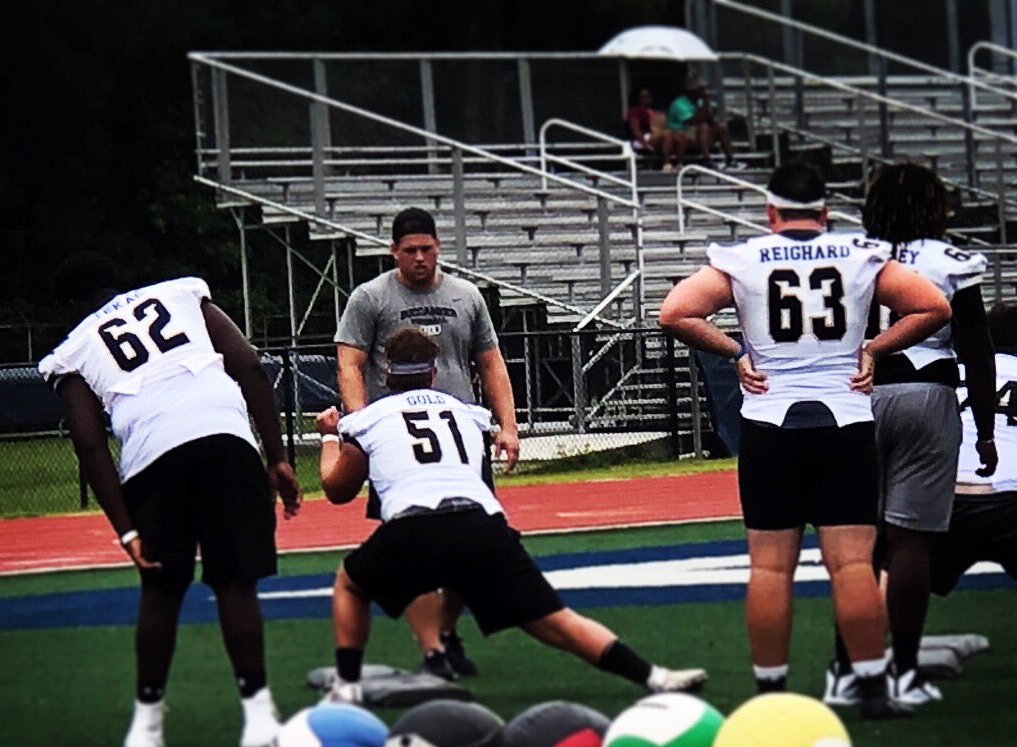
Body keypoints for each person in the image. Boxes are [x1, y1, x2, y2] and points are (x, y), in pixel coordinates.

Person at [659, 161, 951, 718]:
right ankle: (869, 686)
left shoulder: (743, 257)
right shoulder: (857, 253)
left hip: (770, 417)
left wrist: (736, 352)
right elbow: (933, 306)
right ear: (824, 214)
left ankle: (770, 693)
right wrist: (874, 349)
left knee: (770, 568)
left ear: (771, 214)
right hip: (844, 416)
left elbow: (674, 312)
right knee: (852, 566)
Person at [317, 327, 705, 702]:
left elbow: (337, 490)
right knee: (555, 621)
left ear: (386, 374)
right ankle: (654, 676)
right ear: (434, 374)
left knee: (351, 586)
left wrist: (330, 437)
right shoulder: (470, 414)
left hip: (412, 526)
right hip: (480, 523)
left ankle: (347, 687)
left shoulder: (367, 420)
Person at [38, 253, 301, 747]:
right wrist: (278, 458)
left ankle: (147, 722)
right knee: (234, 582)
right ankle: (257, 713)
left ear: (71, 305)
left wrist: (127, 531)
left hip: (152, 454)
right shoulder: (182, 294)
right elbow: (247, 363)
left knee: (160, 588)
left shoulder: (72, 348)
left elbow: (89, 444)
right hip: (225, 436)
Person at [825, 163, 997, 708]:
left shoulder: (847, 253)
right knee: (910, 545)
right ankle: (902, 671)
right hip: (927, 395)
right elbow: (976, 345)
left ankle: (846, 669)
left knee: (859, 546)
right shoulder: (951, 261)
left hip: (854, 396)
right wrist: (986, 429)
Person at [335, 206, 520, 681]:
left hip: (460, 434)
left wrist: (508, 425)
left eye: (428, 249)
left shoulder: (465, 295)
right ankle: (433, 650)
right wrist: (358, 422)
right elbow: (350, 363)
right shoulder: (370, 297)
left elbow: (491, 363)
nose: (420, 258)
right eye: (410, 250)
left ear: (439, 248)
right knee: (410, 545)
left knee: (472, 543)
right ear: (394, 252)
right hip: (398, 439)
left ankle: (446, 631)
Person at [928, 300, 1017, 598]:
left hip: (941, 500)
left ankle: (864, 642)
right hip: (1009, 499)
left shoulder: (946, 372)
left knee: (900, 574)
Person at [666, 79, 743, 172]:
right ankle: (706, 159)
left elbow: (711, 122)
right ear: (692, 91)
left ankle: (730, 159)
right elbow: (693, 121)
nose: (703, 92)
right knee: (704, 126)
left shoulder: (700, 102)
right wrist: (704, 107)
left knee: (721, 127)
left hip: (699, 135)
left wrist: (707, 105)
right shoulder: (679, 103)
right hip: (683, 133)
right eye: (700, 89)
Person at [625, 88, 677, 171]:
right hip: (640, 140)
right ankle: (666, 164)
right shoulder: (634, 111)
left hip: (653, 136)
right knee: (667, 134)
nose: (648, 98)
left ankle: (677, 163)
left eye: (649, 96)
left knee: (676, 135)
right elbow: (636, 130)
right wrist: (646, 145)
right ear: (638, 98)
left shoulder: (653, 111)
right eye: (644, 97)